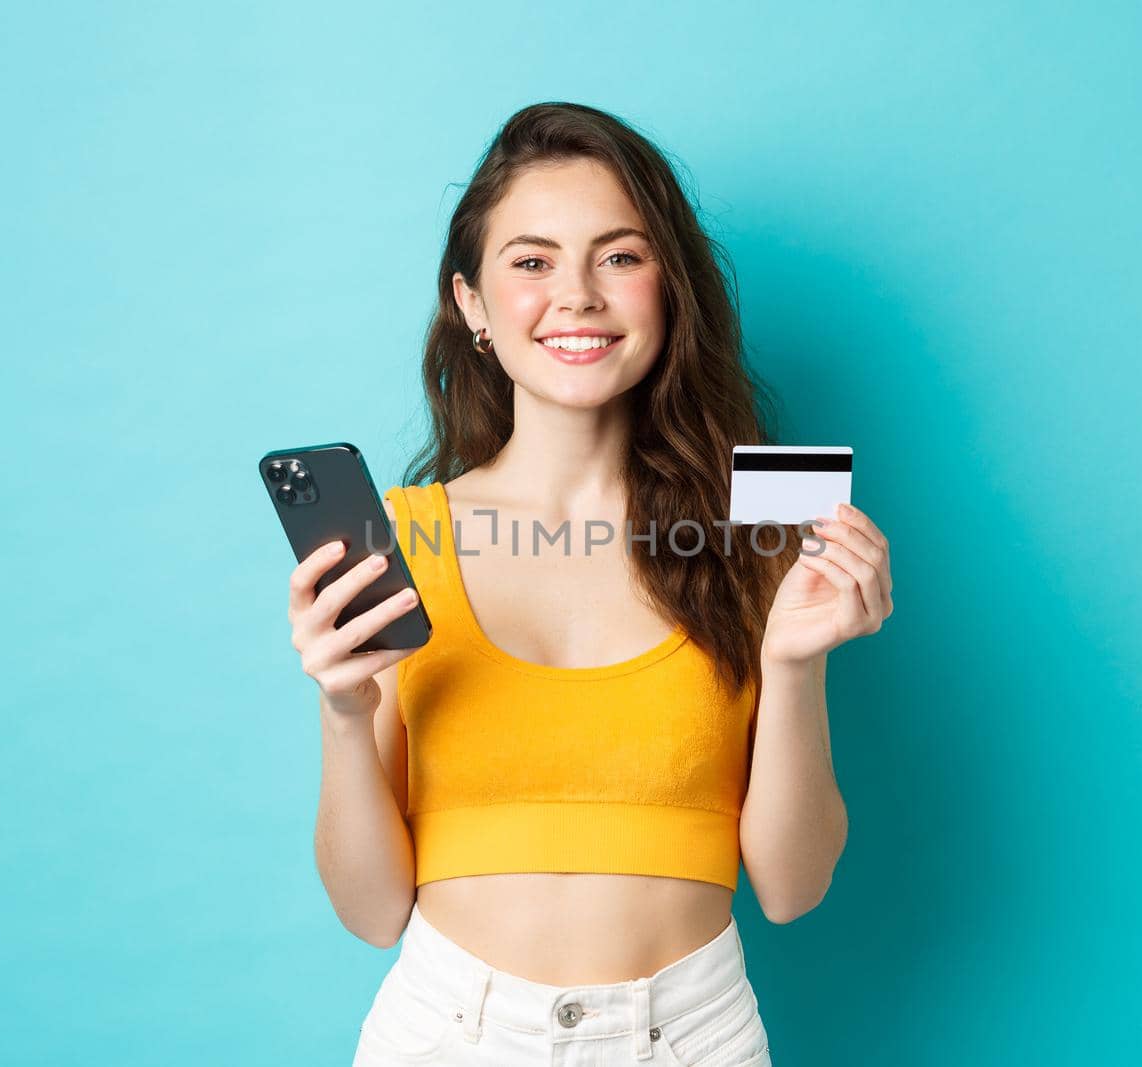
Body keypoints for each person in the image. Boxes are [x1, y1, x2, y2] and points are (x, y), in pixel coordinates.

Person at [286, 102, 894, 1065]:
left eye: (619, 256)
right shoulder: (394, 536)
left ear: (669, 292)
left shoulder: (759, 527)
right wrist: (343, 713)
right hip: (446, 1032)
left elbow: (792, 886)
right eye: (530, 262)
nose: (576, 295)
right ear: (472, 305)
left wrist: (794, 664)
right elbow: (371, 913)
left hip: (691, 1034)